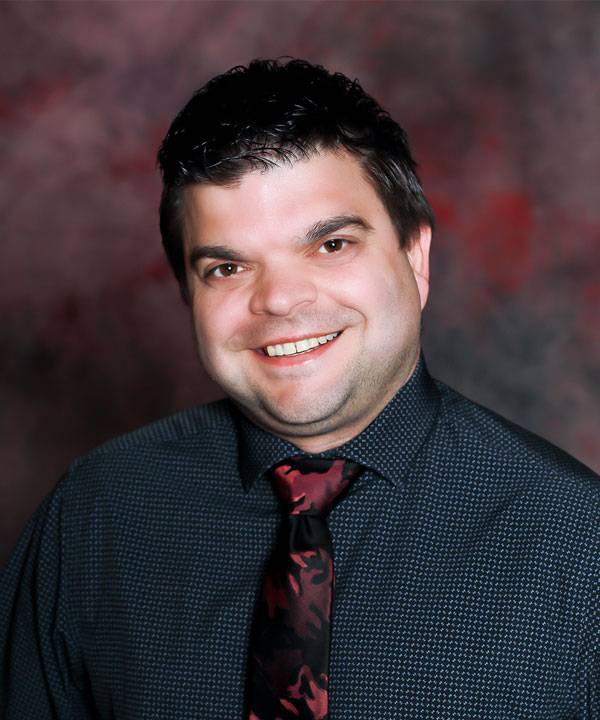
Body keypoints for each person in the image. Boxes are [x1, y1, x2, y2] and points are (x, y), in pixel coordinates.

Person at [1, 58, 598, 720]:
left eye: (330, 245)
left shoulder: (575, 543)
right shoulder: (94, 517)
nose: (280, 299)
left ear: (415, 257)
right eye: (228, 266)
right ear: (187, 296)